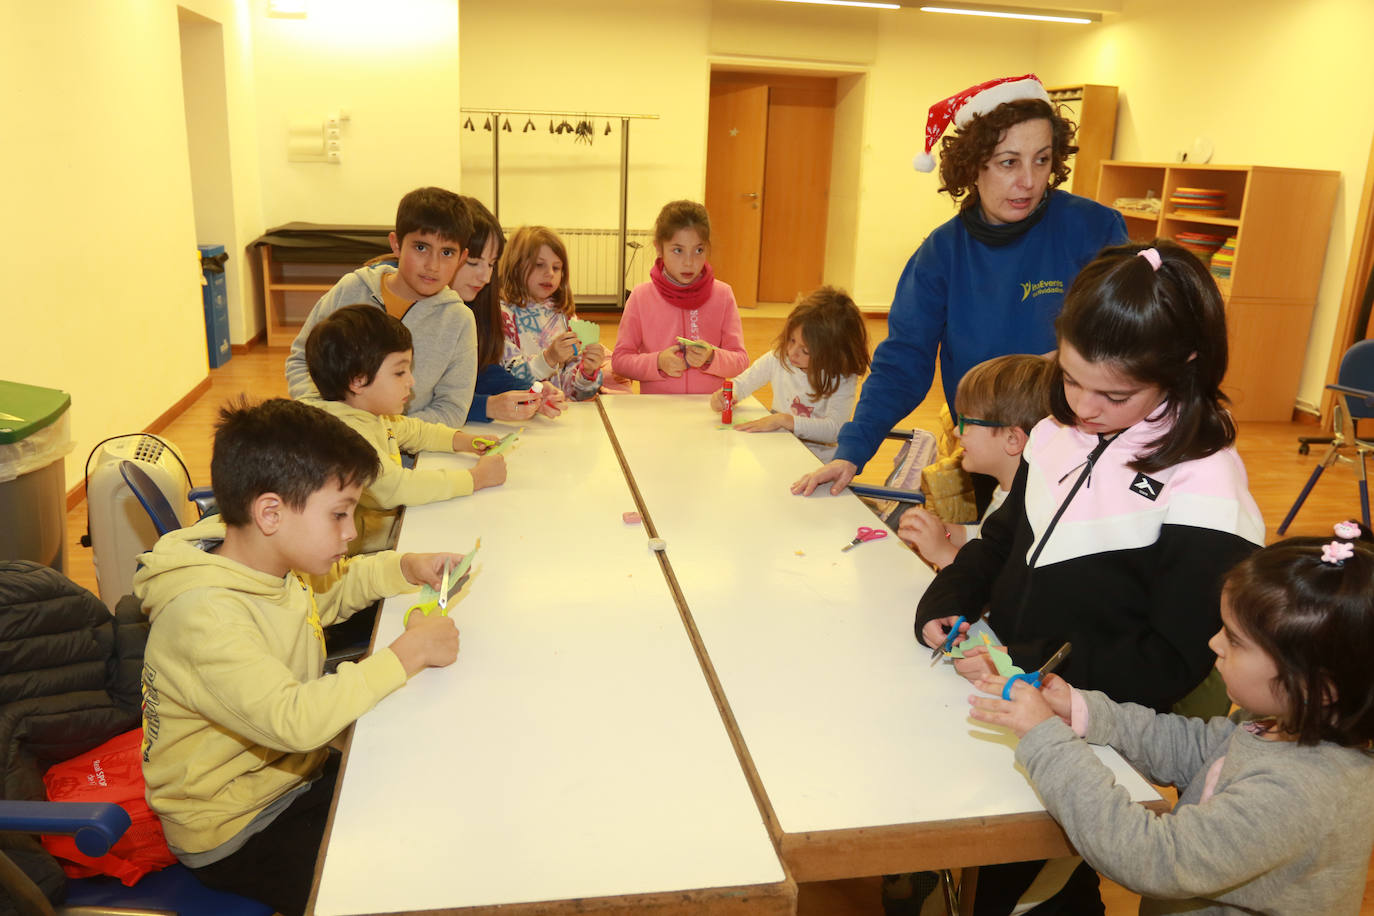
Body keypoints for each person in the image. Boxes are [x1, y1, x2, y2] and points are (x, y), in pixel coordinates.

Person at [915, 242, 1266, 914]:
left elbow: (1171, 659)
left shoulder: (1205, 483)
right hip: (1016, 691)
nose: (1083, 405)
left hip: (1101, 730)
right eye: (1071, 378)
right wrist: (950, 598)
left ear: (1182, 370)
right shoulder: (1056, 428)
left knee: (1024, 882)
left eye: (1114, 393)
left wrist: (1031, 674)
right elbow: (1002, 539)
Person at [135, 397, 464, 916]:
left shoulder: (267, 559)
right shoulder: (205, 618)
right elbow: (294, 721)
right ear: (270, 512)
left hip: (291, 776)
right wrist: (405, 655)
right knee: (396, 886)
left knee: (431, 798)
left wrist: (407, 566)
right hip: (237, 828)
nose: (351, 531)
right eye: (339, 514)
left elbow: (330, 592)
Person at [968, 524, 1374, 916]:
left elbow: (1152, 857)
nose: (1213, 643)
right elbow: (1194, 746)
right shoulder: (1281, 721)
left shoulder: (1298, 793)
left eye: (1234, 639)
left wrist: (1045, 739)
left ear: (1316, 687)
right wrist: (1081, 708)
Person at [792, 74, 1128, 499]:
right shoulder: (941, 254)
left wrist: (1068, 363)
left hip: (1085, 452)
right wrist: (851, 452)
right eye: (1009, 162)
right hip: (988, 454)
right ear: (973, 165)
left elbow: (1131, 340)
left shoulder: (1094, 229)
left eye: (1041, 160)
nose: (1028, 180)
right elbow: (902, 365)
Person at [302, 304, 507, 553]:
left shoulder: (370, 413)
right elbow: (399, 487)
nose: (411, 381)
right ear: (358, 380)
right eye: (399, 372)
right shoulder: (345, 437)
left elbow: (415, 431)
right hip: (363, 555)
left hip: (388, 535)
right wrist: (475, 479)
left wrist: (462, 440)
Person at [286, 186, 478, 427]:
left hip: (405, 454)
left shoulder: (459, 320)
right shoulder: (352, 288)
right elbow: (301, 360)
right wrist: (327, 416)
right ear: (396, 245)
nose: (433, 265)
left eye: (447, 252)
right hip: (331, 440)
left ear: (462, 259)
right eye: (421, 247)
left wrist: (382, 433)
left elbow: (451, 409)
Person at [898, 354, 1050, 569]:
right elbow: (984, 539)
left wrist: (942, 553)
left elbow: (993, 590)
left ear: (1012, 439)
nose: (955, 432)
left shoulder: (1029, 513)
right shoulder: (1009, 491)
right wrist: (944, 531)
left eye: (965, 422)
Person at [707, 286, 869, 461]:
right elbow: (743, 383)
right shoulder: (779, 358)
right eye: (791, 340)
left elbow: (835, 430)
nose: (792, 352)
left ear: (833, 354)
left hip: (817, 461)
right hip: (779, 448)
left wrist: (784, 420)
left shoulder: (841, 376)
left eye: (805, 351)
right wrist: (727, 396)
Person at [611, 199, 749, 393]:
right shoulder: (641, 296)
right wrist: (657, 362)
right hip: (657, 411)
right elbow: (620, 361)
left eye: (698, 250)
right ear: (659, 248)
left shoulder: (723, 295)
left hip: (706, 410)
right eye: (678, 250)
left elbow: (740, 360)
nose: (689, 262)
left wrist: (712, 357)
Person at [451, 196, 566, 423]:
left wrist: (533, 391)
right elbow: (426, 401)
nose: (485, 277)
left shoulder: (478, 305)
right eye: (473, 262)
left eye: (492, 264)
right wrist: (486, 406)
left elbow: (485, 371)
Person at [497, 225, 606, 400]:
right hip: (518, 416)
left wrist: (587, 372)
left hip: (557, 416)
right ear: (516, 266)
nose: (549, 273)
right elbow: (508, 382)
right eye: (539, 265)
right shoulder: (502, 317)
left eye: (556, 268)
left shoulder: (564, 316)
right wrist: (549, 358)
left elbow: (575, 393)